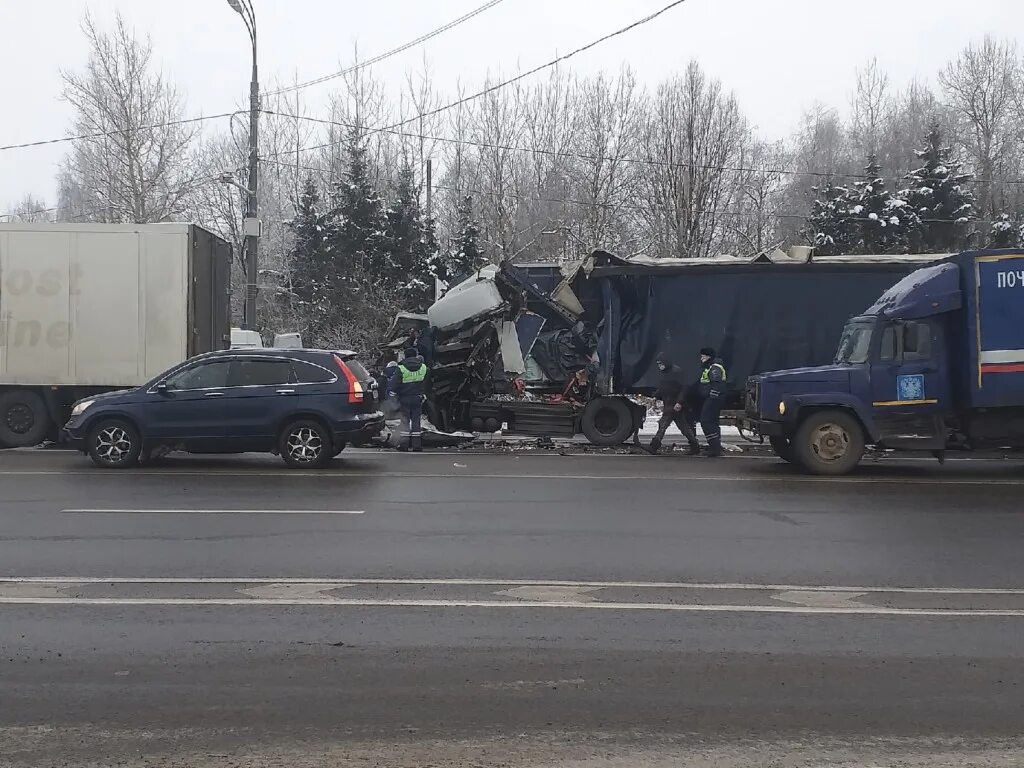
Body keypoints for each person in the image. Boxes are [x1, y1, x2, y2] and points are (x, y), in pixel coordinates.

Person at [646, 355, 700, 456]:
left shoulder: (676, 372)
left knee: (663, 423)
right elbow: (663, 387)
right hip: (670, 402)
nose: (659, 366)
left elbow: (684, 388)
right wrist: (656, 396)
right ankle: (695, 445)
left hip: (674, 403)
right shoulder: (665, 372)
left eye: (660, 364)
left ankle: (654, 446)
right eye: (658, 364)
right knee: (683, 426)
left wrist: (679, 402)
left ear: (666, 362)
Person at [388, 347, 428, 452]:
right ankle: (417, 446)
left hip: (404, 398)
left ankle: (404, 445)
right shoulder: (423, 367)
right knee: (416, 422)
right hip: (417, 398)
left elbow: (395, 383)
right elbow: (427, 383)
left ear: (405, 356)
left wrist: (392, 395)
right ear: (415, 355)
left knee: (405, 421)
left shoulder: (401, 368)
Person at [696, 347, 727, 457]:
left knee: (706, 421)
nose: (701, 358)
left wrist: (712, 398)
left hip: (714, 399)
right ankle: (716, 447)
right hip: (712, 398)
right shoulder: (709, 367)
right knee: (713, 422)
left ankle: (714, 448)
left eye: (703, 356)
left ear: (709, 356)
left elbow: (717, 383)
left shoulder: (715, 368)